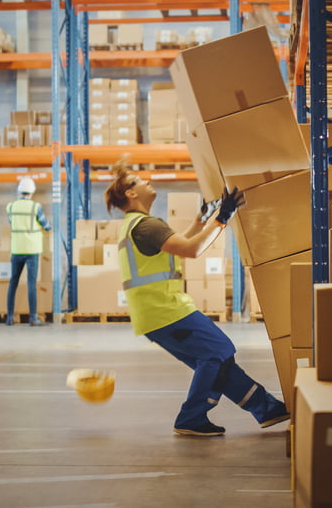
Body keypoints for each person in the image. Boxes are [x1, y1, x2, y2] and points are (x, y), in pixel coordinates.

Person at [104, 162, 289, 437]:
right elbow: (192, 249)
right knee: (218, 350)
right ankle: (191, 416)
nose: (147, 182)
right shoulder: (146, 226)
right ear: (131, 194)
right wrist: (222, 217)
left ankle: (268, 409)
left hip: (156, 313)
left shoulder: (138, 225)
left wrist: (202, 219)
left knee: (217, 361)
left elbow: (179, 241)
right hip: (165, 311)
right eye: (139, 180)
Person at [6, 177, 52, 326]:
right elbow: (45, 225)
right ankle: (33, 318)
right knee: (31, 284)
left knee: (13, 283)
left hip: (16, 249)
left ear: (19, 191)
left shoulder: (11, 206)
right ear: (32, 192)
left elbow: (12, 223)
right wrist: (48, 227)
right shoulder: (35, 207)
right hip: (32, 250)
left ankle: (10, 318)